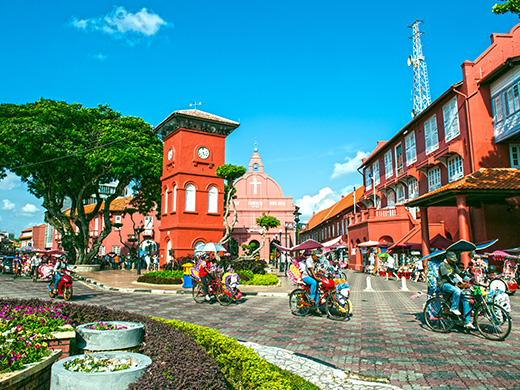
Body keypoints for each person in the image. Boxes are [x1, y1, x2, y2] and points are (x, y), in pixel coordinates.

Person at [438, 251, 475, 330]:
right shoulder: (442, 265)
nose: (453, 261)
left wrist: (471, 280)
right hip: (444, 284)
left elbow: (461, 274)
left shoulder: (453, 265)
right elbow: (450, 276)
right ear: (447, 258)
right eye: (452, 259)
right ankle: (454, 308)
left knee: (465, 297)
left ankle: (467, 321)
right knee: (457, 291)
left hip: (452, 284)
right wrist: (459, 283)